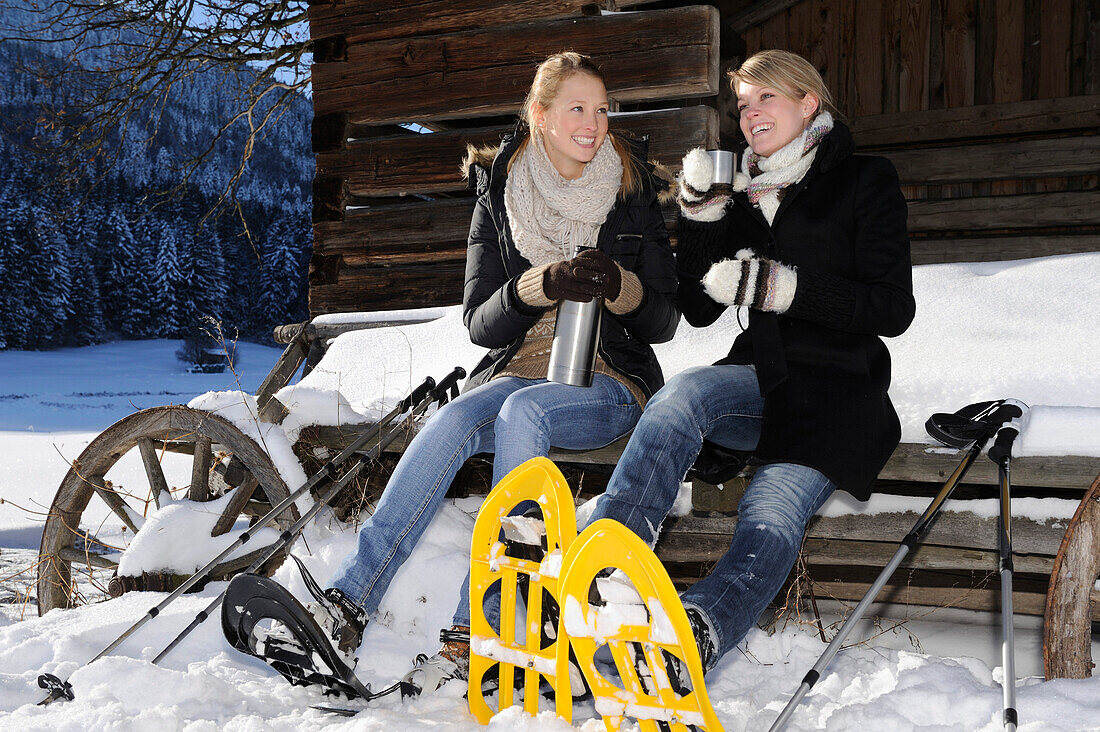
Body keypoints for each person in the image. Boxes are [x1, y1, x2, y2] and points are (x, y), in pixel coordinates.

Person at [258, 51, 679, 697]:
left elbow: (664, 320)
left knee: (523, 413)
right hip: (519, 371)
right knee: (456, 416)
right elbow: (482, 323)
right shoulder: (498, 190)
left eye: (602, 109)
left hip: (610, 383)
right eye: (577, 108)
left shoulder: (632, 191)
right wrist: (538, 285)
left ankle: (477, 633)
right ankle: (347, 600)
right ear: (539, 115)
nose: (595, 123)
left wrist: (619, 287)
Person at [584, 49, 915, 675]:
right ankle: (611, 568)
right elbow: (697, 307)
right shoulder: (741, 192)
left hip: (836, 395)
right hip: (761, 380)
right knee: (681, 394)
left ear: (807, 102)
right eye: (742, 104)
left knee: (770, 511)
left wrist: (783, 288)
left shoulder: (864, 179)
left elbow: (892, 307)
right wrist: (702, 217)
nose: (750, 114)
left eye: (765, 98)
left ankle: (693, 636)